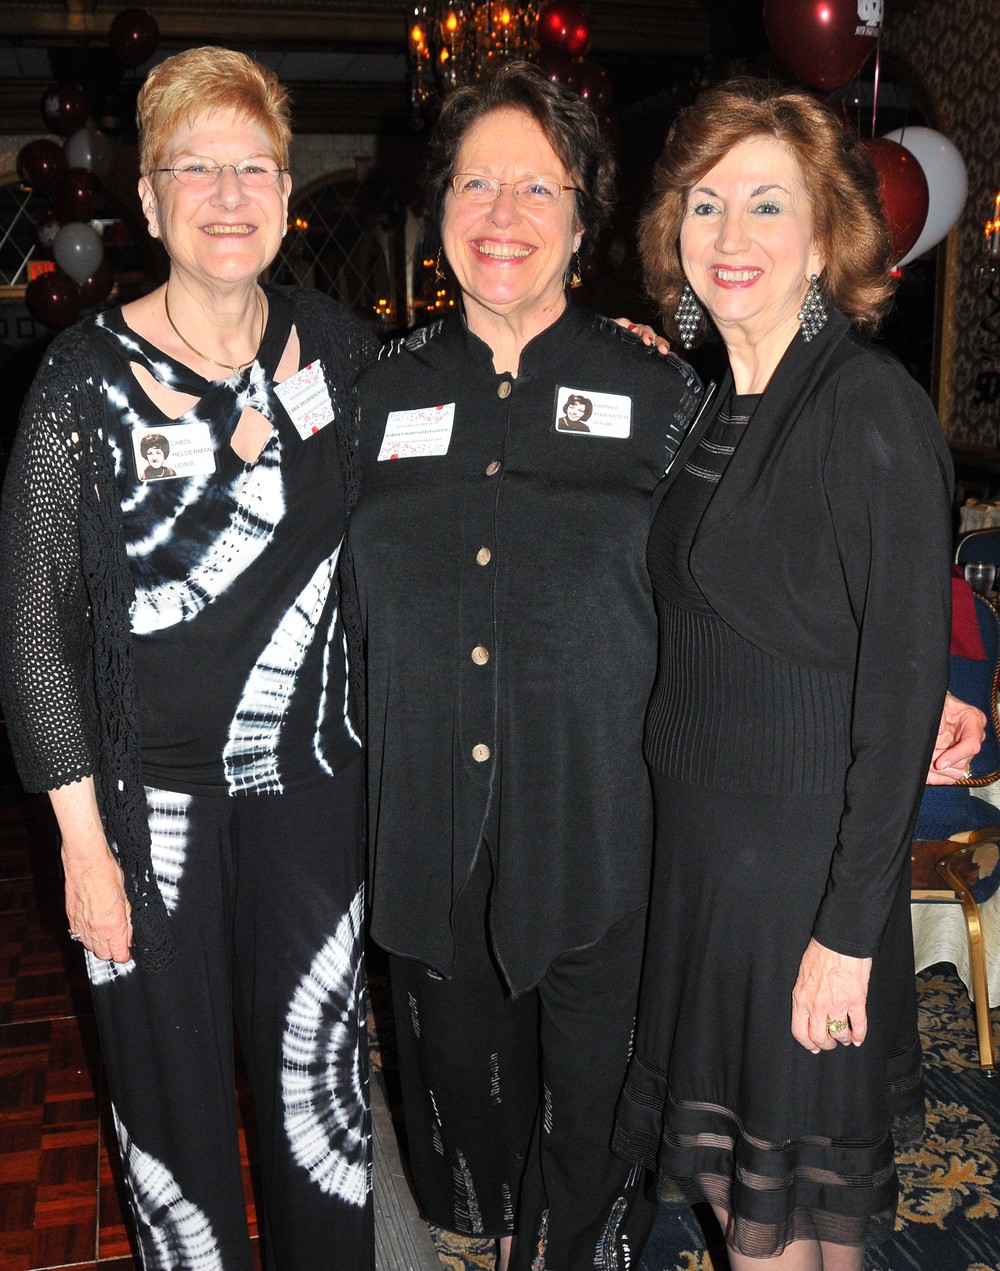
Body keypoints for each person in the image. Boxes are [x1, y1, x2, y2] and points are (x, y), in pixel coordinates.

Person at [0, 48, 376, 1270]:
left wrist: (600, 337)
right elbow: (35, 632)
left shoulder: (343, 350)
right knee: (167, 1114)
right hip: (144, 815)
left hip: (314, 795)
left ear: (286, 192)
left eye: (253, 166)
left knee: (318, 1103)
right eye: (193, 169)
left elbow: (469, 415)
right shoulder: (80, 383)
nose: (227, 194)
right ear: (149, 204)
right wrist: (83, 849)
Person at [347, 62, 704, 1271]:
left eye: (537, 187)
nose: (503, 214)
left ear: (584, 218)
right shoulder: (372, 395)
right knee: (466, 1113)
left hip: (603, 829)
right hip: (427, 828)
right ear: (439, 206)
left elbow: (737, 585)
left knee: (598, 1120)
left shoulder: (660, 389)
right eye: (476, 183)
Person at [612, 78, 954, 1269]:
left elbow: (901, 696)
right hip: (707, 865)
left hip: (799, 881)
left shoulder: (864, 405)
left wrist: (845, 931)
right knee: (761, 1192)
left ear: (825, 233)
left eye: (767, 202)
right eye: (704, 204)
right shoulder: (713, 404)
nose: (730, 233)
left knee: (772, 1208)